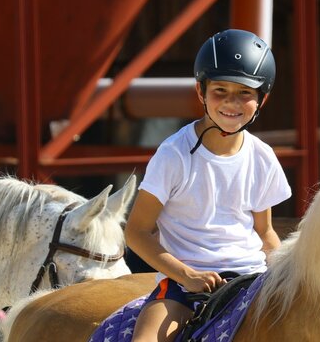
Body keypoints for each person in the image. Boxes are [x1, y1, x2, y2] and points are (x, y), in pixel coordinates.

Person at [125, 29, 292, 342]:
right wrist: (186, 275)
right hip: (182, 287)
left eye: (245, 92)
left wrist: (291, 273)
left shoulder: (262, 157)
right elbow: (137, 232)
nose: (232, 102)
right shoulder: (173, 154)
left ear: (262, 98)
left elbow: (264, 232)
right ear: (201, 92)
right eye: (220, 90)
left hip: (252, 279)